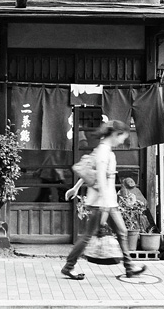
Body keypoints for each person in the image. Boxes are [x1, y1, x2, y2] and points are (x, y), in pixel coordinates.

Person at [61, 120, 147, 280]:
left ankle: (129, 267)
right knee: (88, 236)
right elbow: (100, 177)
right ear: (115, 135)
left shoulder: (102, 150)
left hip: (106, 202)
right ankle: (69, 266)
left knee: (121, 231)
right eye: (122, 137)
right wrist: (106, 206)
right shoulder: (104, 152)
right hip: (101, 203)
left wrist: (76, 187)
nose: (122, 141)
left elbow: (90, 172)